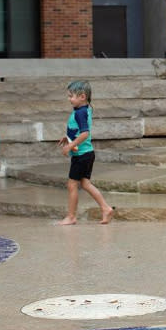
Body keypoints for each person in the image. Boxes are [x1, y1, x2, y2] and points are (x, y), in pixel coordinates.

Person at [57, 81, 115, 225]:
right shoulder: (83, 110)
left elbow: (84, 134)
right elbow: (78, 130)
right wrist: (68, 137)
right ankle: (106, 208)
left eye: (71, 96)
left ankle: (71, 216)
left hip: (82, 155)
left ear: (82, 96)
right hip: (86, 154)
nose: (69, 99)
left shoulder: (80, 113)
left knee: (72, 185)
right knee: (85, 183)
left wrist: (70, 145)